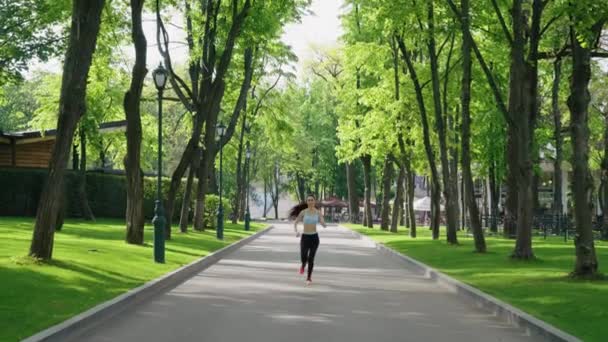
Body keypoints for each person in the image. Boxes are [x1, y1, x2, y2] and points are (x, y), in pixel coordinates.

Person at [290, 195, 327, 286]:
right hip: (305, 237)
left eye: (312, 200)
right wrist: (296, 231)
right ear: (307, 202)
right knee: (303, 257)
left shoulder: (318, 212)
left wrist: (323, 224)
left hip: (314, 238)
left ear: (314, 201)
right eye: (308, 200)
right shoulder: (303, 212)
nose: (310, 201)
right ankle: (303, 265)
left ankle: (309, 277)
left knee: (311, 258)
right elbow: (296, 222)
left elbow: (322, 222)